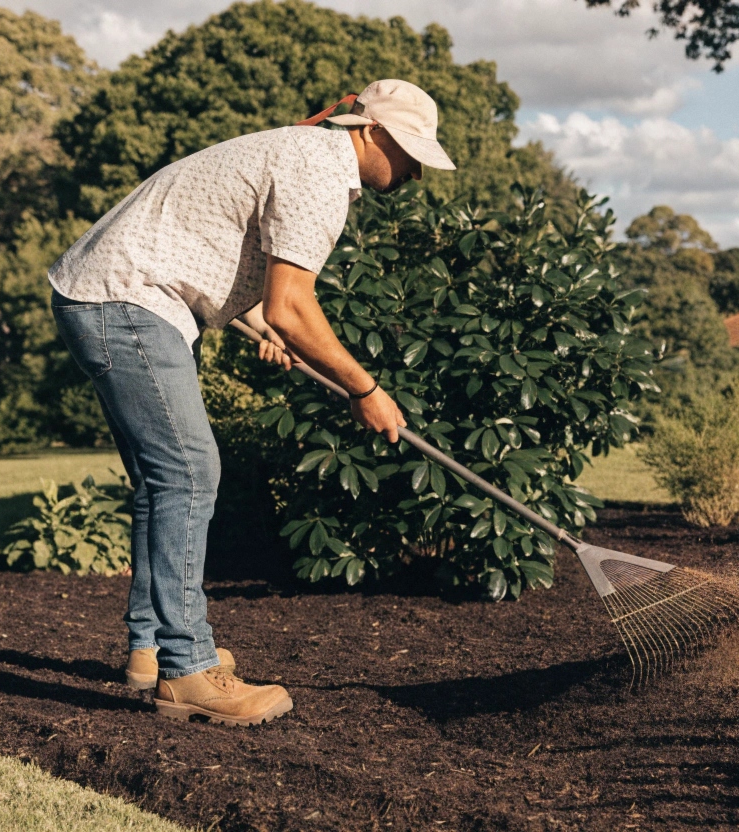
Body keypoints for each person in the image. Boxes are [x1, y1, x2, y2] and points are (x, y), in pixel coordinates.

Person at [47, 79, 456, 726]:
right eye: (409, 155)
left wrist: (266, 326)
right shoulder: (320, 171)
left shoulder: (300, 154)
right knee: (188, 470)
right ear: (372, 132)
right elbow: (294, 307)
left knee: (163, 481)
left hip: (111, 295)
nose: (411, 174)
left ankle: (152, 651)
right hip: (126, 301)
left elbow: (258, 290)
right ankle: (188, 671)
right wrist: (365, 389)